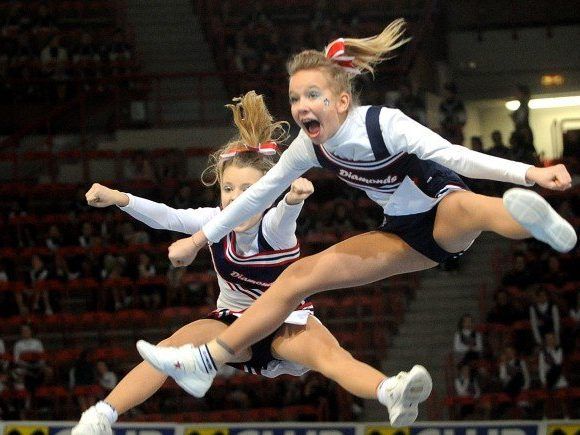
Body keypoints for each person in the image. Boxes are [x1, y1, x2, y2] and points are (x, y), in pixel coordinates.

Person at [138, 18, 576, 414]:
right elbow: (255, 199)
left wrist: (529, 173)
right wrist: (197, 241)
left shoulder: (384, 125)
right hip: (401, 234)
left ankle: (534, 223)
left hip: (441, 206)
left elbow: (452, 154)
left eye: (313, 95)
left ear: (342, 101)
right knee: (297, 277)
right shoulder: (309, 146)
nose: (301, 105)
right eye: (294, 98)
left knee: (473, 208)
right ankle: (206, 361)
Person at [73, 91, 429, 434]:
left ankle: (390, 392)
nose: (235, 199)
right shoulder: (212, 220)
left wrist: (293, 199)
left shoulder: (272, 228)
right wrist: (119, 198)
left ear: (266, 192)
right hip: (231, 326)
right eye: (228, 189)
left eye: (247, 191)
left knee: (332, 357)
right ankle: (101, 415)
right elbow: (166, 216)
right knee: (169, 350)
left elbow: (285, 218)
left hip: (285, 324)